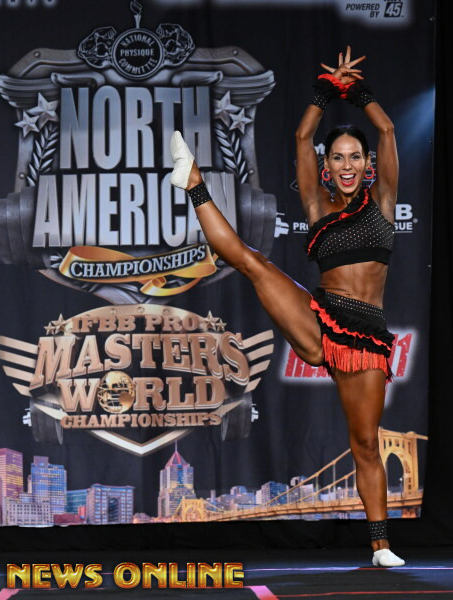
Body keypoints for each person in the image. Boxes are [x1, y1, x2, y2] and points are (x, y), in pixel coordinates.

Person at [169, 47, 404, 567]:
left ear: (367, 166)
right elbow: (301, 137)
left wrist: (355, 91)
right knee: (252, 262)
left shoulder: (383, 203)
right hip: (319, 318)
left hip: (365, 339)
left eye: (354, 157)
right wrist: (323, 92)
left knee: (365, 445)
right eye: (337, 157)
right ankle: (193, 183)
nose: (347, 165)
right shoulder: (317, 207)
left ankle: (381, 545)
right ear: (326, 167)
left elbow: (386, 130)